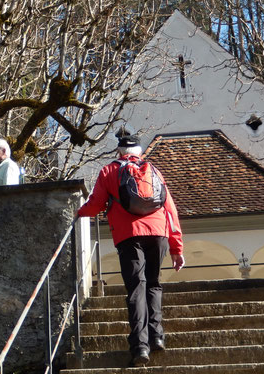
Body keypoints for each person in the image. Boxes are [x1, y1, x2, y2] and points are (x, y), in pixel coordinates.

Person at [76, 135, 185, 367]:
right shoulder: (153, 170)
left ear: (119, 152)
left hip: (129, 235)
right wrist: (177, 248)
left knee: (137, 287)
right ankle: (157, 337)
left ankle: (140, 348)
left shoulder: (108, 171)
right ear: (140, 152)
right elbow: (170, 209)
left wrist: (78, 213)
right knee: (154, 284)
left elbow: (95, 205)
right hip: (159, 233)